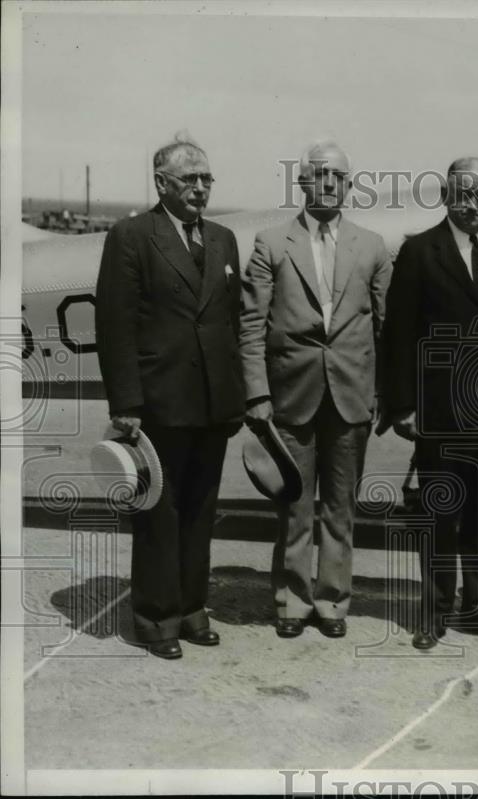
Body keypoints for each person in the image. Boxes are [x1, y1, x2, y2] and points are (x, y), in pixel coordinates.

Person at [95, 135, 244, 659]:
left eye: (207, 179)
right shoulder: (132, 236)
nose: (201, 189)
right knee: (159, 513)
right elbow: (115, 325)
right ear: (162, 183)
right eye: (190, 179)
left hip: (212, 403)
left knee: (202, 510)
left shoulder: (224, 240)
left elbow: (229, 320)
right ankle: (155, 618)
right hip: (159, 401)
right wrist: (126, 404)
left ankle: (191, 609)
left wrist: (238, 397)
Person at [380, 157, 478, 650]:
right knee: (439, 515)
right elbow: (399, 335)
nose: (472, 205)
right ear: (446, 196)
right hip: (440, 410)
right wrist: (402, 406)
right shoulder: (420, 251)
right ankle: (433, 612)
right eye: (462, 194)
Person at [240, 139, 391, 640]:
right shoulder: (270, 243)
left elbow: (387, 326)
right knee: (294, 506)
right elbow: (251, 326)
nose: (329, 183)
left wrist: (384, 394)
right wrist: (257, 394)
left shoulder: (371, 246)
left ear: (349, 186)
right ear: (302, 181)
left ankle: (332, 603)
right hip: (291, 396)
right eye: (319, 174)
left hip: (351, 397)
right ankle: (291, 602)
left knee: (341, 509)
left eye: (338, 177)